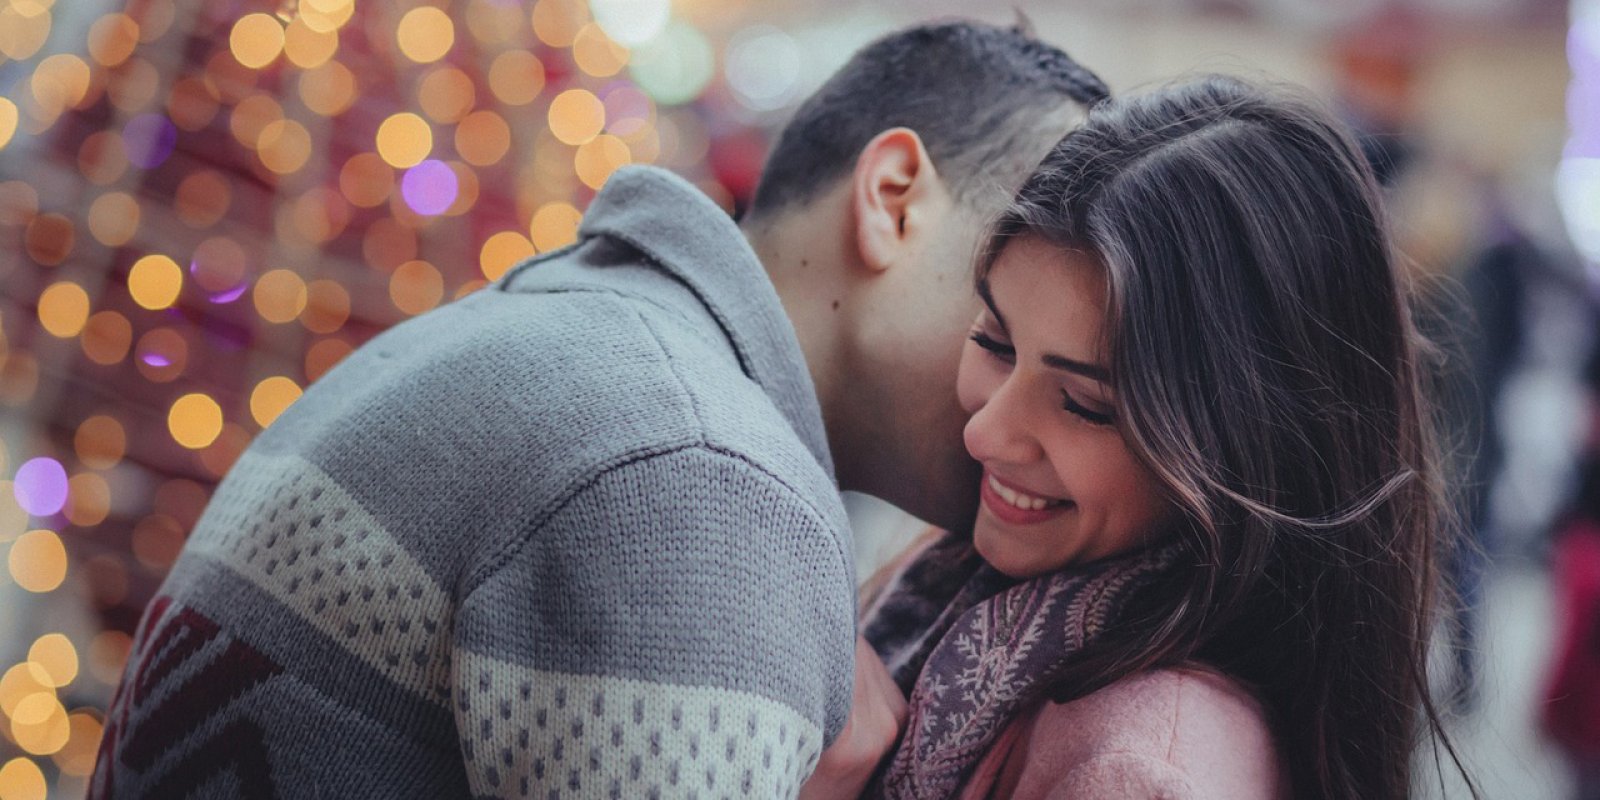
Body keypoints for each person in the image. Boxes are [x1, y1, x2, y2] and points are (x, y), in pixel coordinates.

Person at [88, 18, 1110, 800]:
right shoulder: (693, 468)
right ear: (891, 198)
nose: (1020, 410)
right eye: (1011, 297)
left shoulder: (569, 340)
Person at [859, 75, 1474, 799]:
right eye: (995, 340)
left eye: (1085, 404)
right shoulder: (968, 583)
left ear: (1248, 446)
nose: (985, 433)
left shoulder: (1138, 769)